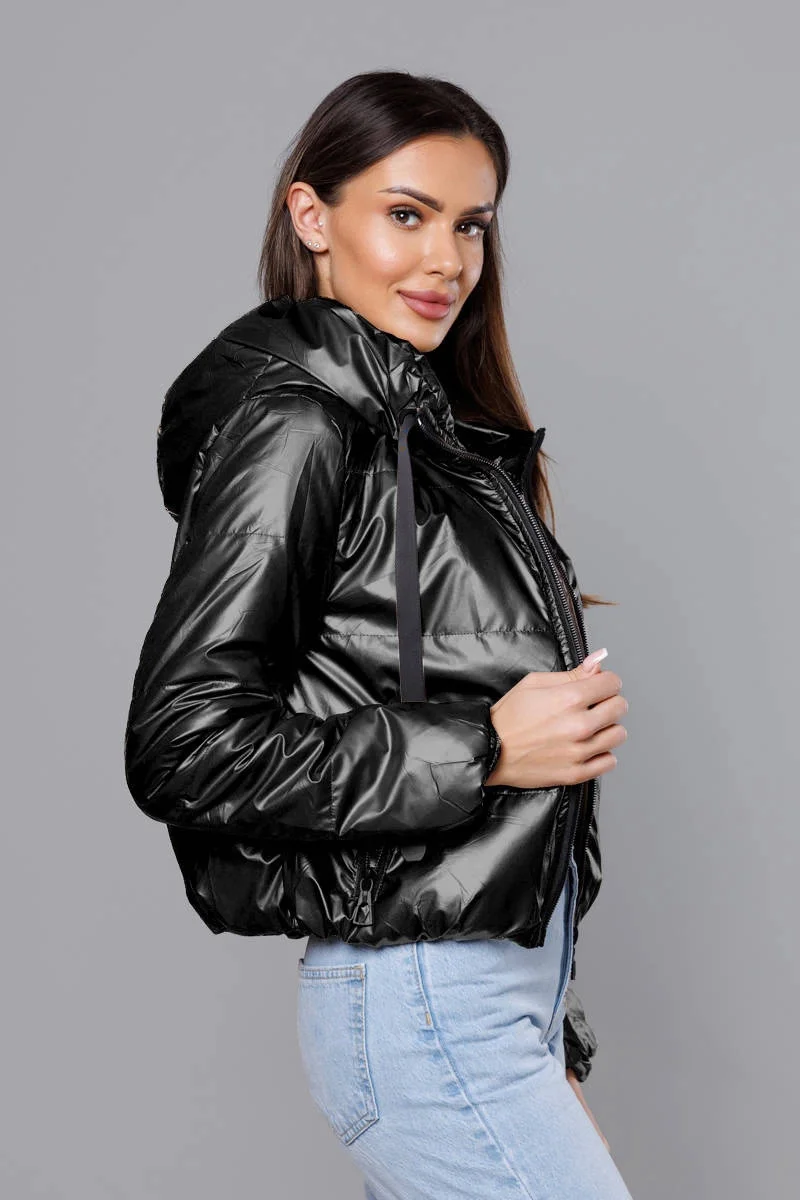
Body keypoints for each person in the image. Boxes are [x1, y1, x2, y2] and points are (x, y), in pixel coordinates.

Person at [124, 69, 632, 1198]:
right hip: (424, 1003)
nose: (445, 259)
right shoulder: (295, 424)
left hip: (488, 1005)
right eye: (406, 214)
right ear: (313, 217)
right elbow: (183, 742)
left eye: (471, 226)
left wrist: (549, 1036)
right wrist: (485, 747)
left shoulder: (437, 441)